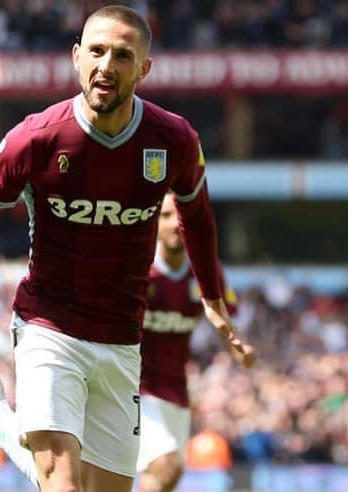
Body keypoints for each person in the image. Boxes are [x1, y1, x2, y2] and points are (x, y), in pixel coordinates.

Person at [0, 5, 252, 492]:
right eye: (96, 51)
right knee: (61, 485)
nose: (106, 65)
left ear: (144, 68)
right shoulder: (37, 138)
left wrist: (211, 299)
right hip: (48, 327)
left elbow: (197, 217)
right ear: (76, 57)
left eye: (122, 55)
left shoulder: (174, 140)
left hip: (121, 339)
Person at [137, 193, 253, 492]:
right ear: (153, 222)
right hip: (131, 389)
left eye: (180, 215)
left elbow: (225, 322)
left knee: (164, 478)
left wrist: (239, 348)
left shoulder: (206, 272)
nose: (174, 224)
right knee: (166, 465)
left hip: (175, 391)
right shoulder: (138, 268)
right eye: (165, 216)